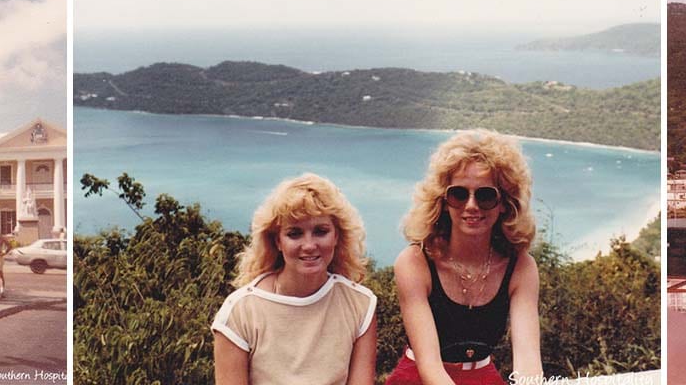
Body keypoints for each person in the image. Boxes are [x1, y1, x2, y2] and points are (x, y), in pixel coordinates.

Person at [388, 129, 543, 385]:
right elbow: (430, 366)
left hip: (483, 377)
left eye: (485, 195)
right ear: (444, 200)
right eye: (459, 194)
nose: (471, 206)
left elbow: (528, 362)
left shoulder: (521, 267)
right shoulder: (415, 262)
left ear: (505, 202)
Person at [212, 173, 377, 385]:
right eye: (295, 233)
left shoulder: (360, 306)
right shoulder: (240, 313)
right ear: (277, 241)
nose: (309, 245)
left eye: (320, 231)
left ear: (337, 235)